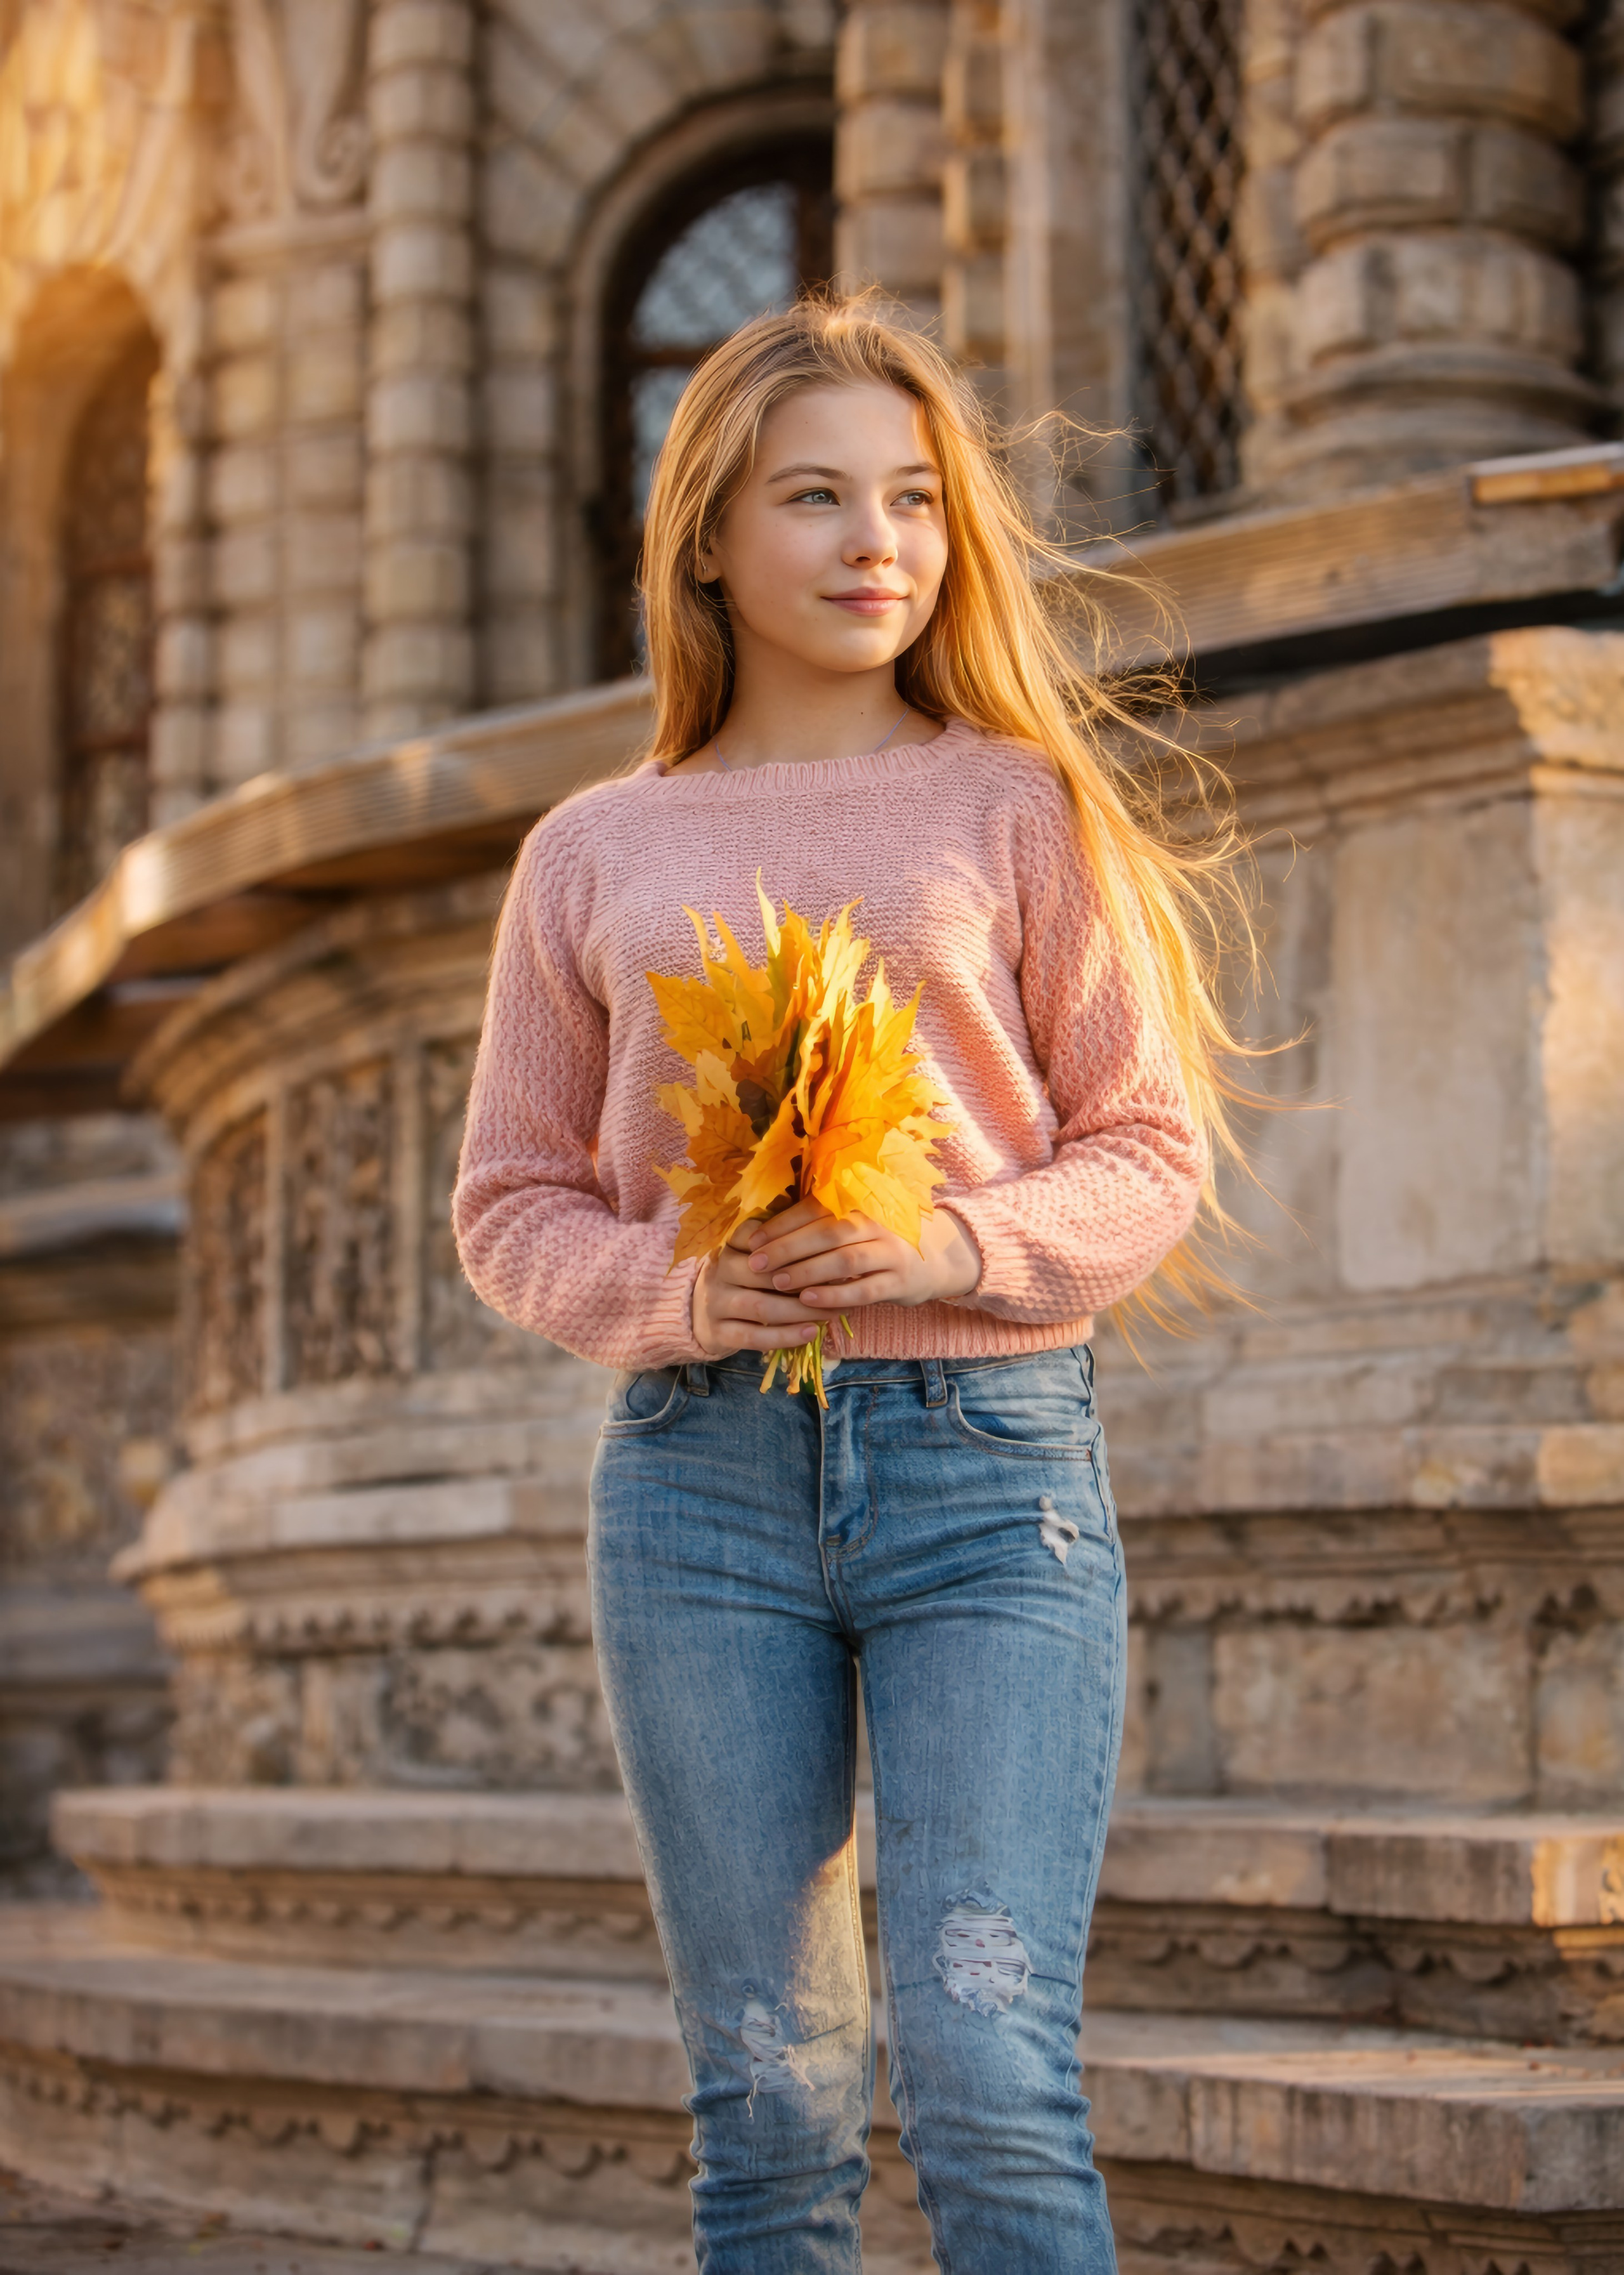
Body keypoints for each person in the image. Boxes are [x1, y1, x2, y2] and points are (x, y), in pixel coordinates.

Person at [454, 297, 1247, 2274]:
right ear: (708, 533)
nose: (875, 538)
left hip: (995, 1479)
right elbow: (509, 1200)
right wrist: (671, 1290)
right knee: (769, 2094)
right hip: (698, 1488)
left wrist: (954, 1244)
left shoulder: (1016, 806)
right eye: (814, 495)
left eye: (911, 497)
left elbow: (1149, 1150)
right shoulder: (591, 851)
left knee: (988, 2064)